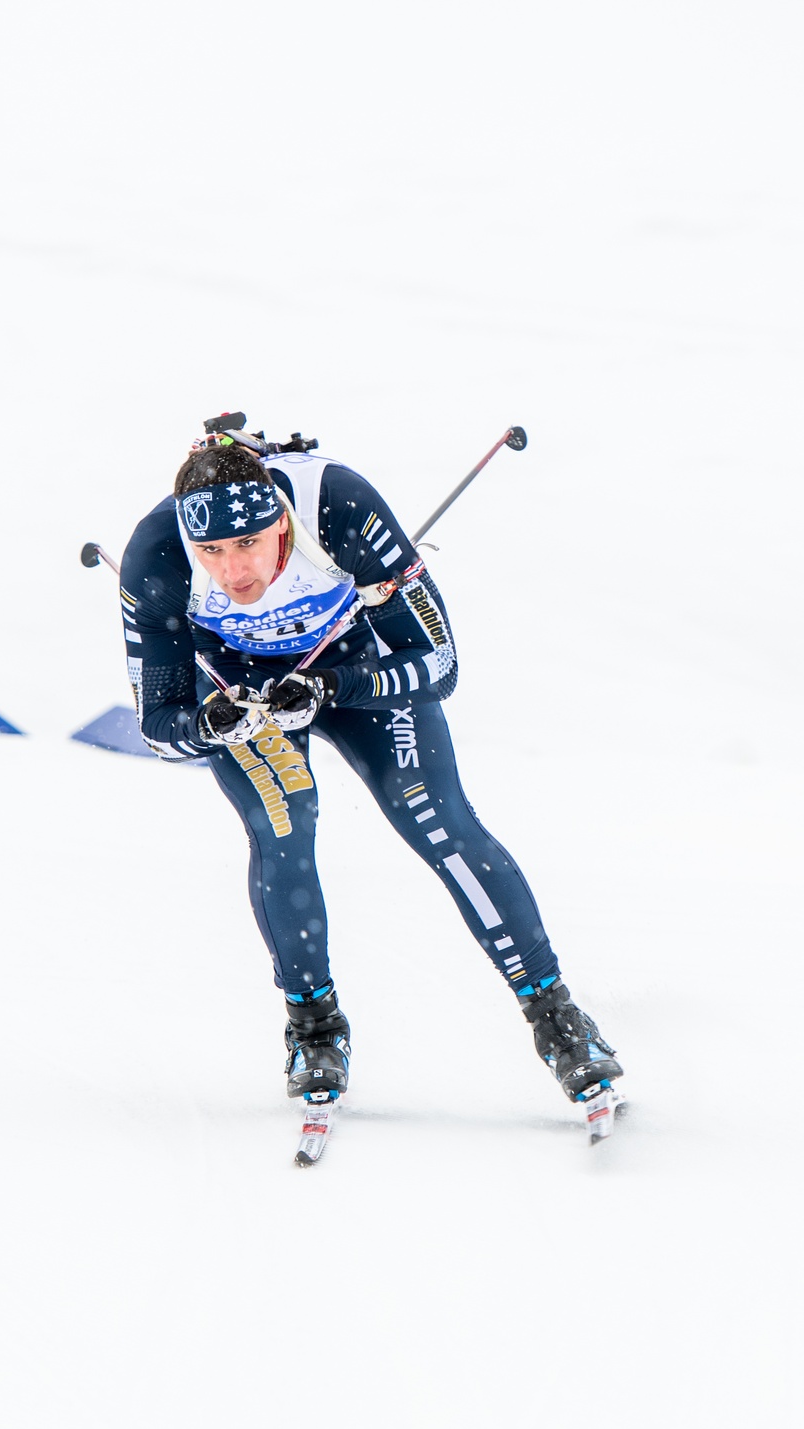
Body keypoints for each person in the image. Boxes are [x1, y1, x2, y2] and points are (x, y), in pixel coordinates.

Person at [118, 417, 623, 1111]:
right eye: (211, 550)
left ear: (281, 522)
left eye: (250, 544)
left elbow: (438, 664)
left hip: (354, 669)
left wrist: (334, 688)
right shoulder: (155, 553)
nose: (234, 572)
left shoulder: (339, 506)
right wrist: (209, 725)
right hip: (240, 689)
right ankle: (314, 1027)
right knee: (284, 825)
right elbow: (159, 726)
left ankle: (557, 1018)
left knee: (438, 822)